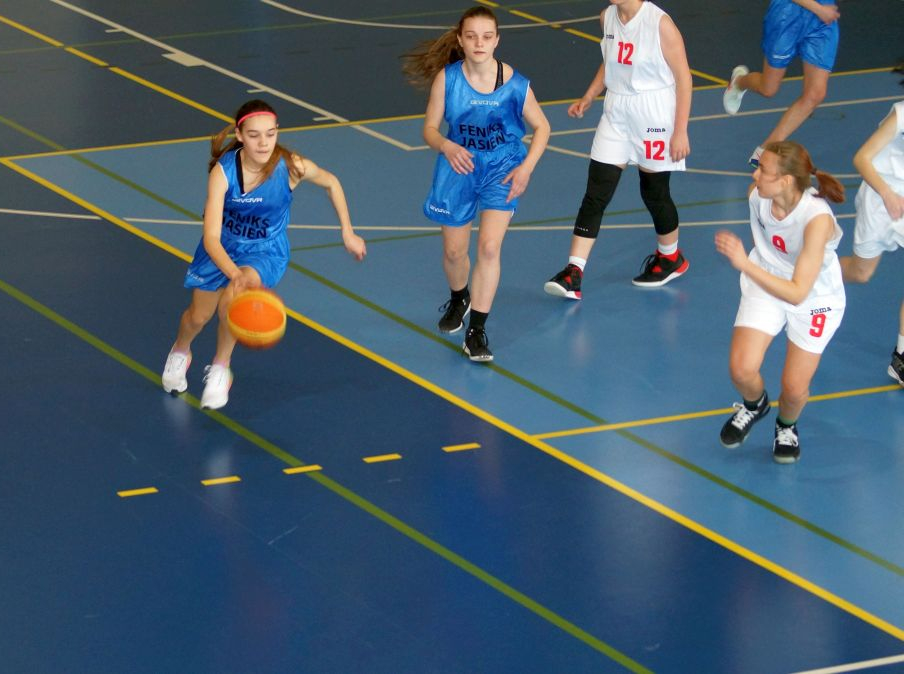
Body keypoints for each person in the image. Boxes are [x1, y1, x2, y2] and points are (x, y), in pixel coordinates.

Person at [161, 100, 367, 410]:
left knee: (233, 299)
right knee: (197, 317)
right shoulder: (223, 173)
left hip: (265, 251)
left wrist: (347, 231)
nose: (263, 143)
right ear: (240, 135)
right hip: (222, 248)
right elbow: (211, 238)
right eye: (254, 135)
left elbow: (331, 183)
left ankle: (221, 367)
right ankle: (180, 351)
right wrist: (233, 272)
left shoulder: (292, 166)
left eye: (270, 134)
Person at [402, 6, 550, 362]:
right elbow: (429, 129)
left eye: (486, 37)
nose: (479, 43)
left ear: (497, 40)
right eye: (471, 37)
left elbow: (543, 127)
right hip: (458, 165)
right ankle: (459, 297)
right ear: (461, 40)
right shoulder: (447, 80)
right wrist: (447, 145)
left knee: (488, 248)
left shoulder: (515, 84)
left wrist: (526, 168)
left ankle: (477, 331)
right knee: (455, 252)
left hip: (502, 168)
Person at [543, 0, 692, 301]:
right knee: (596, 191)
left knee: (654, 192)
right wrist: (589, 95)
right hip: (617, 110)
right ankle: (574, 272)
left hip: (654, 112)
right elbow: (611, 60)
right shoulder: (607, 17)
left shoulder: (660, 24)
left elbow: (684, 78)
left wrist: (680, 130)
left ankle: (670, 257)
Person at [715, 141, 846, 464]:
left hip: (813, 297)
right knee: (741, 370)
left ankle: (786, 425)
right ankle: (754, 405)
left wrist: (743, 263)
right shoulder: (757, 196)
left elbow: (798, 292)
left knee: (794, 389)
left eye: (763, 170)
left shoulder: (817, 220)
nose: (755, 175)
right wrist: (754, 267)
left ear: (786, 181)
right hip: (766, 280)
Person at [838, 66, 904, 385]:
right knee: (860, 273)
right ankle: (807, 271)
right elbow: (861, 158)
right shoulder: (901, 114)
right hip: (881, 196)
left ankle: (901, 356)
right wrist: (888, 194)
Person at [722, 0, 840, 167]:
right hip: (788, 15)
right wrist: (818, 9)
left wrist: (821, 10)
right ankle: (739, 81)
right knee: (768, 89)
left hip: (821, 21)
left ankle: (766, 150)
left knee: (815, 94)